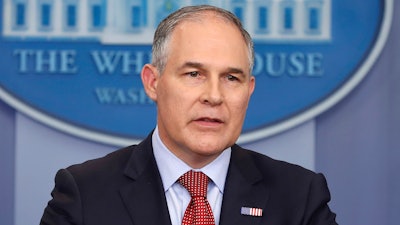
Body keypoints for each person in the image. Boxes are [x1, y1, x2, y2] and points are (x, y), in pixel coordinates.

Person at [40, 5, 338, 225]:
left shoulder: (300, 197)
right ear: (153, 82)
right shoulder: (85, 193)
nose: (213, 95)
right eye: (194, 73)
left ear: (249, 90)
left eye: (231, 78)